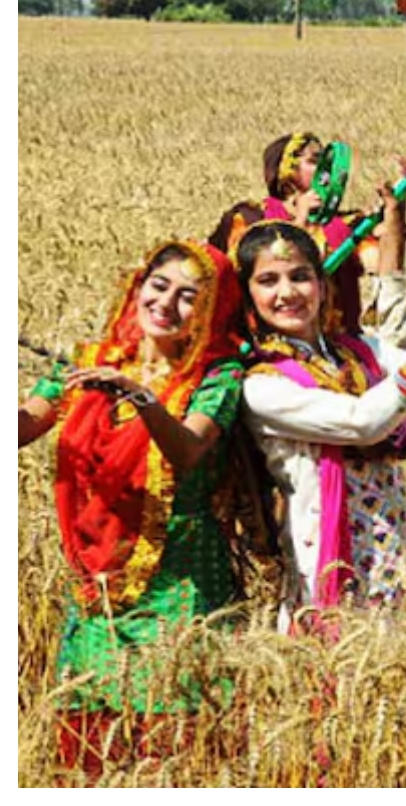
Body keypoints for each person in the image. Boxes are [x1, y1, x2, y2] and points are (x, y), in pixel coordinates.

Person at [18, 240, 245, 773]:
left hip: (182, 585)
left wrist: (139, 396)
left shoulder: (217, 376)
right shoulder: (90, 364)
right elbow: (26, 423)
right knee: (94, 733)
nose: (166, 303)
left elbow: (188, 450)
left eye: (188, 296)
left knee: (179, 738)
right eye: (159, 285)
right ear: (137, 286)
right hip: (98, 586)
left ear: (210, 311)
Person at [235, 215, 406, 629]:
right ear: (248, 298)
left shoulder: (360, 350)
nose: (287, 293)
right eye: (268, 281)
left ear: (322, 283)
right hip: (336, 559)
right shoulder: (262, 386)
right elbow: (362, 422)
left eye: (300, 276)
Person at [209, 132, 367, 333]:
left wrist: (393, 213)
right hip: (266, 341)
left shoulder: (345, 224)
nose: (326, 171)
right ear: (286, 172)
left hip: (337, 342)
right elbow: (242, 273)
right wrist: (300, 221)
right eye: (314, 161)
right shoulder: (249, 218)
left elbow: (382, 266)